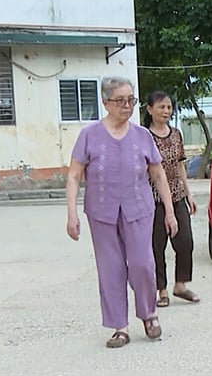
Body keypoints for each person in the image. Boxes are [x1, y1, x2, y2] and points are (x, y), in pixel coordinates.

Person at [66, 76, 177, 348]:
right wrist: (71, 214)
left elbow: (158, 175)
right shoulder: (89, 135)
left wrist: (170, 211)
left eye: (131, 100)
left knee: (142, 264)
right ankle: (120, 327)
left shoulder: (142, 136)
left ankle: (148, 314)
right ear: (105, 102)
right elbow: (74, 175)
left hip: (138, 209)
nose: (127, 106)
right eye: (120, 101)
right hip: (101, 212)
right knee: (110, 269)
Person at [143, 91, 199, 307]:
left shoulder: (176, 134)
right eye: (161, 107)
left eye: (168, 107)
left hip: (177, 195)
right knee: (156, 246)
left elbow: (180, 165)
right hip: (153, 199)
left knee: (185, 242)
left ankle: (180, 285)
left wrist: (188, 194)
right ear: (150, 109)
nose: (166, 111)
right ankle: (162, 290)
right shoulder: (144, 136)